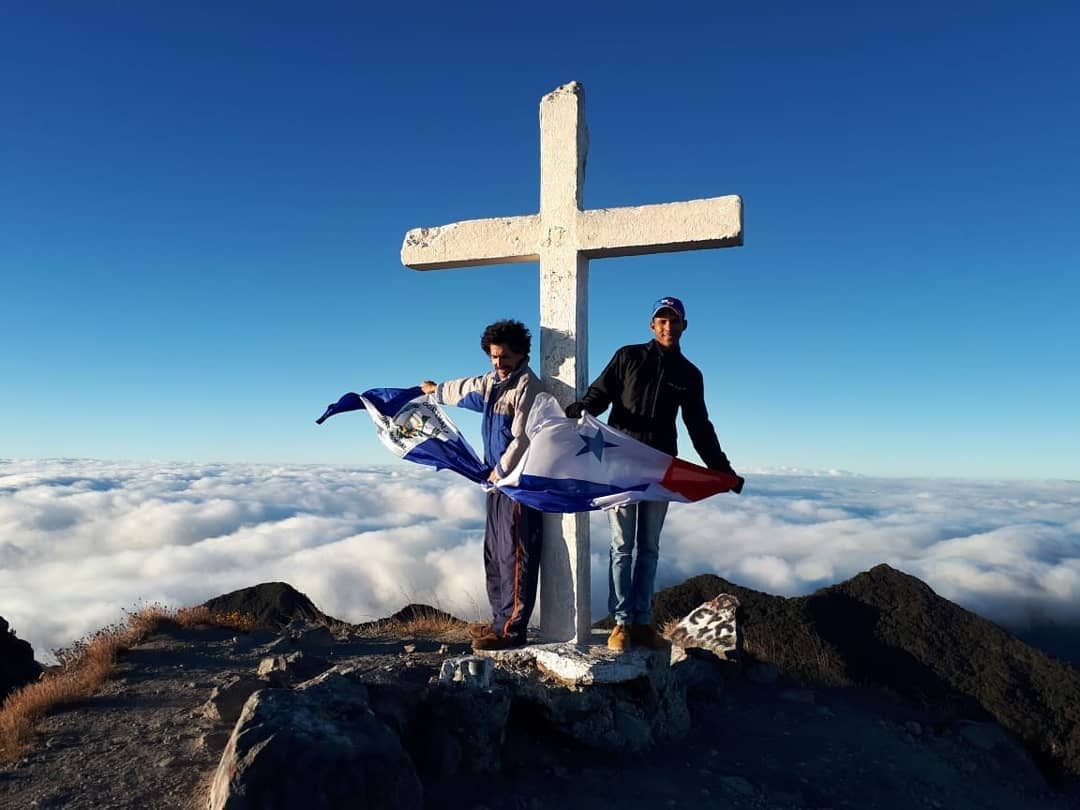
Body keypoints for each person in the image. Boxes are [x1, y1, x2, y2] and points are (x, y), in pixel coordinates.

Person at [566, 296, 743, 653]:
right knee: (621, 547)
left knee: (649, 548)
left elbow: (699, 426)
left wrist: (721, 469)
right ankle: (621, 624)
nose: (668, 326)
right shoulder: (628, 356)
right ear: (652, 325)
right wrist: (582, 407)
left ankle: (643, 622)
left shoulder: (690, 374)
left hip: (660, 467)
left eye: (674, 321)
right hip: (620, 464)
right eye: (661, 320)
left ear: (684, 326)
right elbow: (601, 393)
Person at [421, 319, 544, 651]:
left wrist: (501, 470)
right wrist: (436, 391)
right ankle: (497, 621)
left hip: (518, 483)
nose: (498, 363)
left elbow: (523, 438)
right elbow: (466, 389)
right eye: (493, 356)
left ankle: (511, 632)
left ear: (521, 354)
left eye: (504, 357)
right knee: (494, 555)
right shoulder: (494, 383)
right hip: (495, 483)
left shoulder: (528, 388)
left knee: (516, 557)